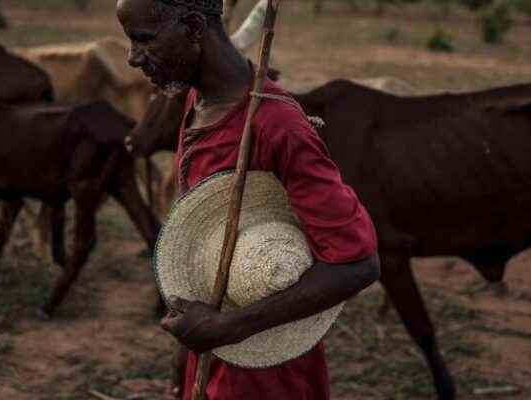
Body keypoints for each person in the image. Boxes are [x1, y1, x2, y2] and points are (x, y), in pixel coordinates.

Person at [116, 0, 381, 398]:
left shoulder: (278, 127)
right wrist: (187, 357)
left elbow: (358, 264)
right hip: (210, 358)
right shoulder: (195, 102)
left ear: (192, 27)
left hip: (267, 376)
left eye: (143, 40)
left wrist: (226, 328)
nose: (133, 58)